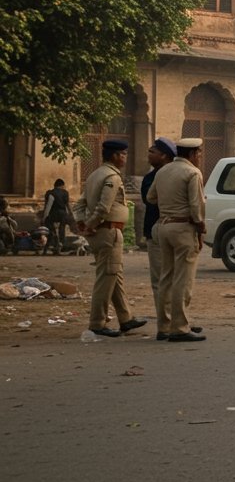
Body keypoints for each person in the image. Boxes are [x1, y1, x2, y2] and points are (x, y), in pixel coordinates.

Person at [73, 140, 146, 338]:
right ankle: (97, 323)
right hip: (108, 232)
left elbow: (79, 205)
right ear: (114, 156)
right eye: (123, 154)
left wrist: (82, 223)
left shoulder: (94, 175)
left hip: (100, 233)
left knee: (114, 275)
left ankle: (126, 318)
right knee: (106, 278)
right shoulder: (112, 177)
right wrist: (90, 225)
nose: (125, 157)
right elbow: (104, 208)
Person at [147, 138, 206, 342]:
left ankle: (164, 325)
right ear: (191, 154)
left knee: (166, 277)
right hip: (183, 227)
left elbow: (150, 197)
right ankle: (179, 327)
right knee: (183, 279)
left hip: (164, 226)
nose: (199, 157)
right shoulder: (192, 173)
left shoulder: (163, 171)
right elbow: (196, 206)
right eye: (198, 153)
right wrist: (200, 228)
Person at [141, 138, 184, 323]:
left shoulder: (178, 175)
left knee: (179, 278)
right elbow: (149, 200)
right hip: (156, 230)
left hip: (174, 230)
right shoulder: (150, 178)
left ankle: (180, 320)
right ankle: (166, 322)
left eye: (153, 152)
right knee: (160, 279)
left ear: (164, 156)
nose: (149, 155)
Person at [40, 179, 72, 255]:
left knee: (51, 230)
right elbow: (67, 205)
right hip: (63, 214)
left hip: (53, 214)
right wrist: (71, 214)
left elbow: (48, 206)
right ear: (62, 185)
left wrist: (44, 217)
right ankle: (60, 245)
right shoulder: (65, 193)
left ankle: (50, 245)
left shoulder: (50, 193)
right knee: (62, 229)